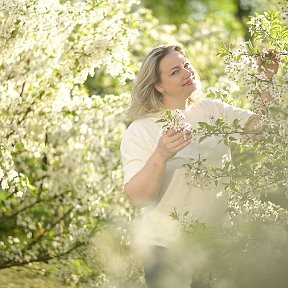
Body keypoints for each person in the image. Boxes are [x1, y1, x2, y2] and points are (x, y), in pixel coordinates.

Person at [120, 45, 277, 287]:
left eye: (186, 65)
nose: (186, 72)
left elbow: (264, 130)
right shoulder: (141, 130)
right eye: (174, 71)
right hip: (167, 251)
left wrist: (266, 80)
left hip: (217, 246)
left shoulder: (212, 110)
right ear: (158, 86)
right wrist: (160, 155)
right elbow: (138, 197)